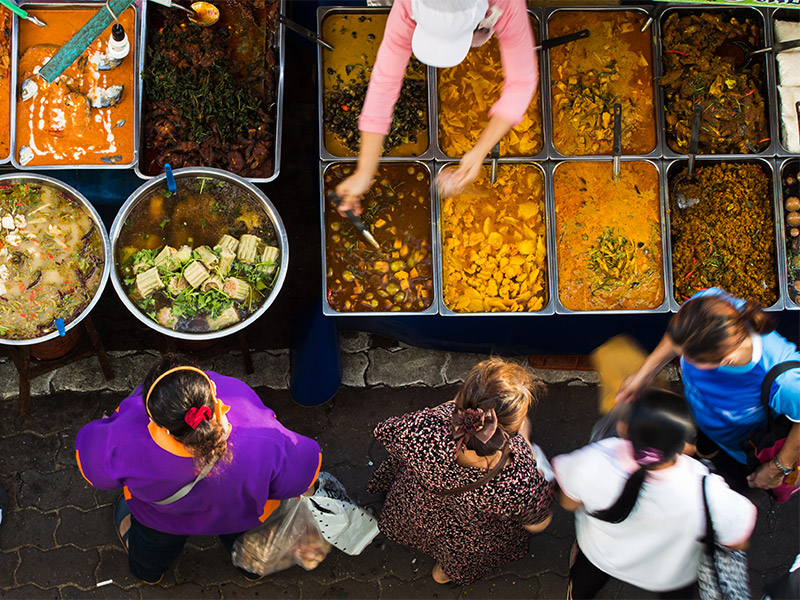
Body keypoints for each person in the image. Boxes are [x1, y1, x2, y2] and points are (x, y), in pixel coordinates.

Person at [74, 355, 322, 583]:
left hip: (162, 520)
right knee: (252, 547)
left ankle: (150, 575)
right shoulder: (250, 414)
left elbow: (94, 471)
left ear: (155, 418)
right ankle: (250, 571)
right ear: (212, 391)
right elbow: (303, 477)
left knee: (150, 552)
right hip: (241, 516)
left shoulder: (126, 431)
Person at [552, 388, 756, 599]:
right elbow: (737, 541)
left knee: (583, 587)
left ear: (624, 428)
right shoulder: (708, 493)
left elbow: (568, 503)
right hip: (670, 576)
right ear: (685, 446)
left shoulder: (592, 461)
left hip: (600, 556)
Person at [336, 0, 537, 214]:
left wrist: (480, 151)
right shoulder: (407, 5)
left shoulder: (506, 3)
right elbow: (384, 83)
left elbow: (521, 82)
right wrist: (364, 171)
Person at [366, 357, 554, 585]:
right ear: (511, 427)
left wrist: (446, 410)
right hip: (467, 538)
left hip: (416, 509)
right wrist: (524, 438)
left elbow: (385, 430)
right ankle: (442, 575)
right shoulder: (518, 476)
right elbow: (538, 523)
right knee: (453, 564)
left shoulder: (425, 429)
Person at [617, 287, 800, 492]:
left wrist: (778, 467)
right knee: (704, 449)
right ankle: (706, 455)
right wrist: (645, 372)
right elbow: (678, 338)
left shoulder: (784, 380)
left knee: (733, 480)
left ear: (725, 360)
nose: (680, 356)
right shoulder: (705, 304)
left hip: (742, 448)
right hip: (704, 421)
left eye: (689, 358)